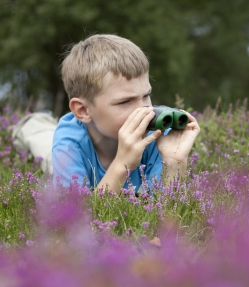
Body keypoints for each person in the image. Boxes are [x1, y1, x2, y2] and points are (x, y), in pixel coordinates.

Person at [52, 34, 200, 193]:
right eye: (124, 102)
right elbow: (77, 216)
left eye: (146, 96)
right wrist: (122, 164)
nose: (144, 111)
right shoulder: (68, 145)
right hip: (66, 139)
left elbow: (167, 213)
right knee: (40, 139)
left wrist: (173, 162)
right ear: (83, 110)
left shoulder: (157, 135)